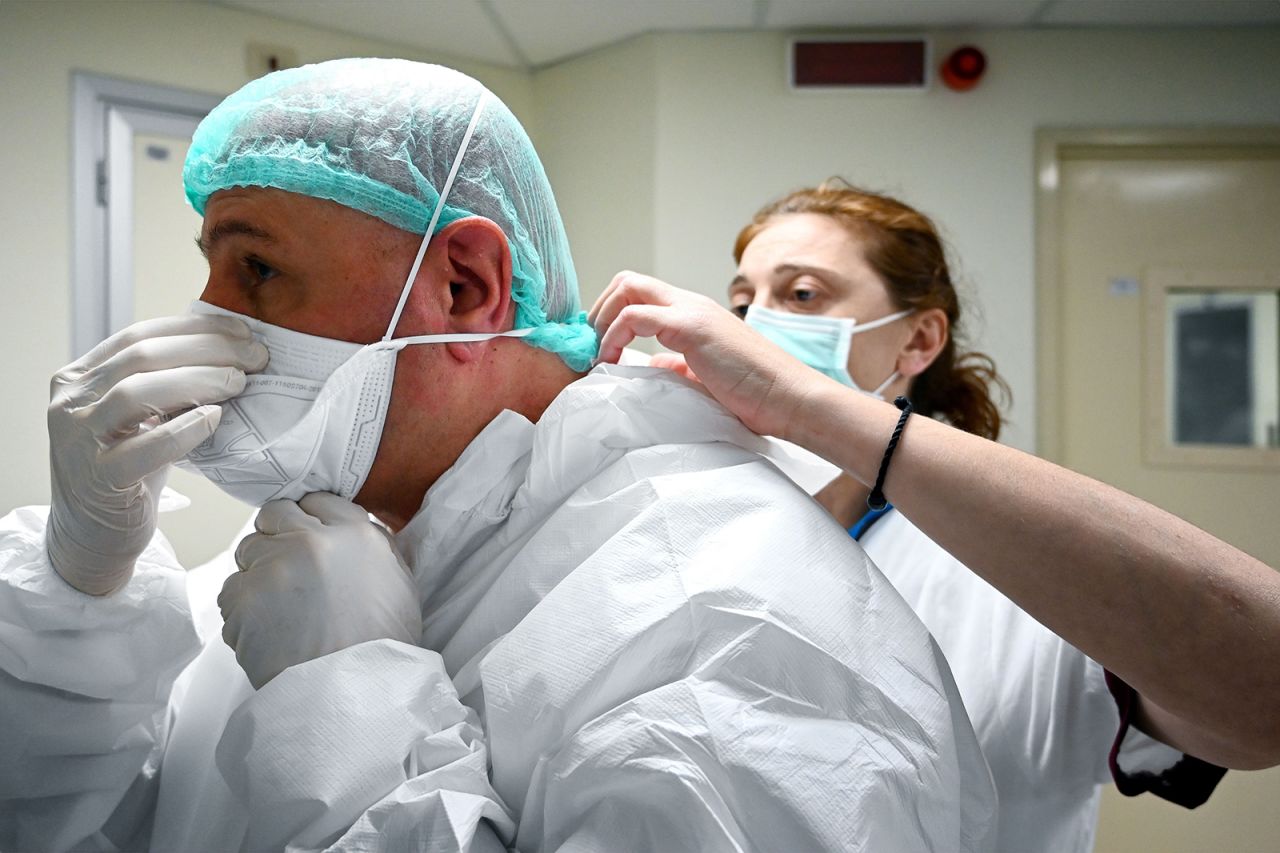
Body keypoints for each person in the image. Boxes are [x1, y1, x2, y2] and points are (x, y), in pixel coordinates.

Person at [0, 62, 997, 852]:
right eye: (207, 266)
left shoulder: (722, 620)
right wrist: (82, 592)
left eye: (257, 266)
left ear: (467, 287)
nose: (203, 320)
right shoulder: (314, 557)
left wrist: (346, 710)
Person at [589, 181, 1280, 852]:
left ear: (917, 341)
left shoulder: (1008, 578)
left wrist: (799, 403)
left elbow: (1264, 694)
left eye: (802, 294)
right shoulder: (708, 527)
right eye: (743, 300)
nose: (754, 325)